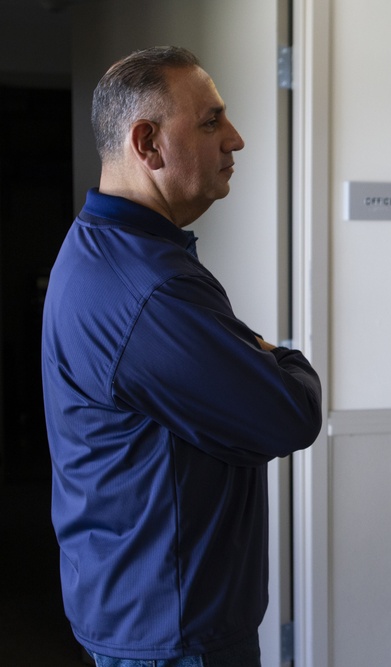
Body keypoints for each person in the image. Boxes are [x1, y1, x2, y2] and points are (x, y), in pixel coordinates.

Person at [40, 46, 323, 665]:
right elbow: (291, 414)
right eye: (210, 121)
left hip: (145, 605)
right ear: (148, 144)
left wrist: (252, 353)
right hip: (174, 628)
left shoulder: (109, 248)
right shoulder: (147, 292)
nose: (236, 139)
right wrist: (286, 357)